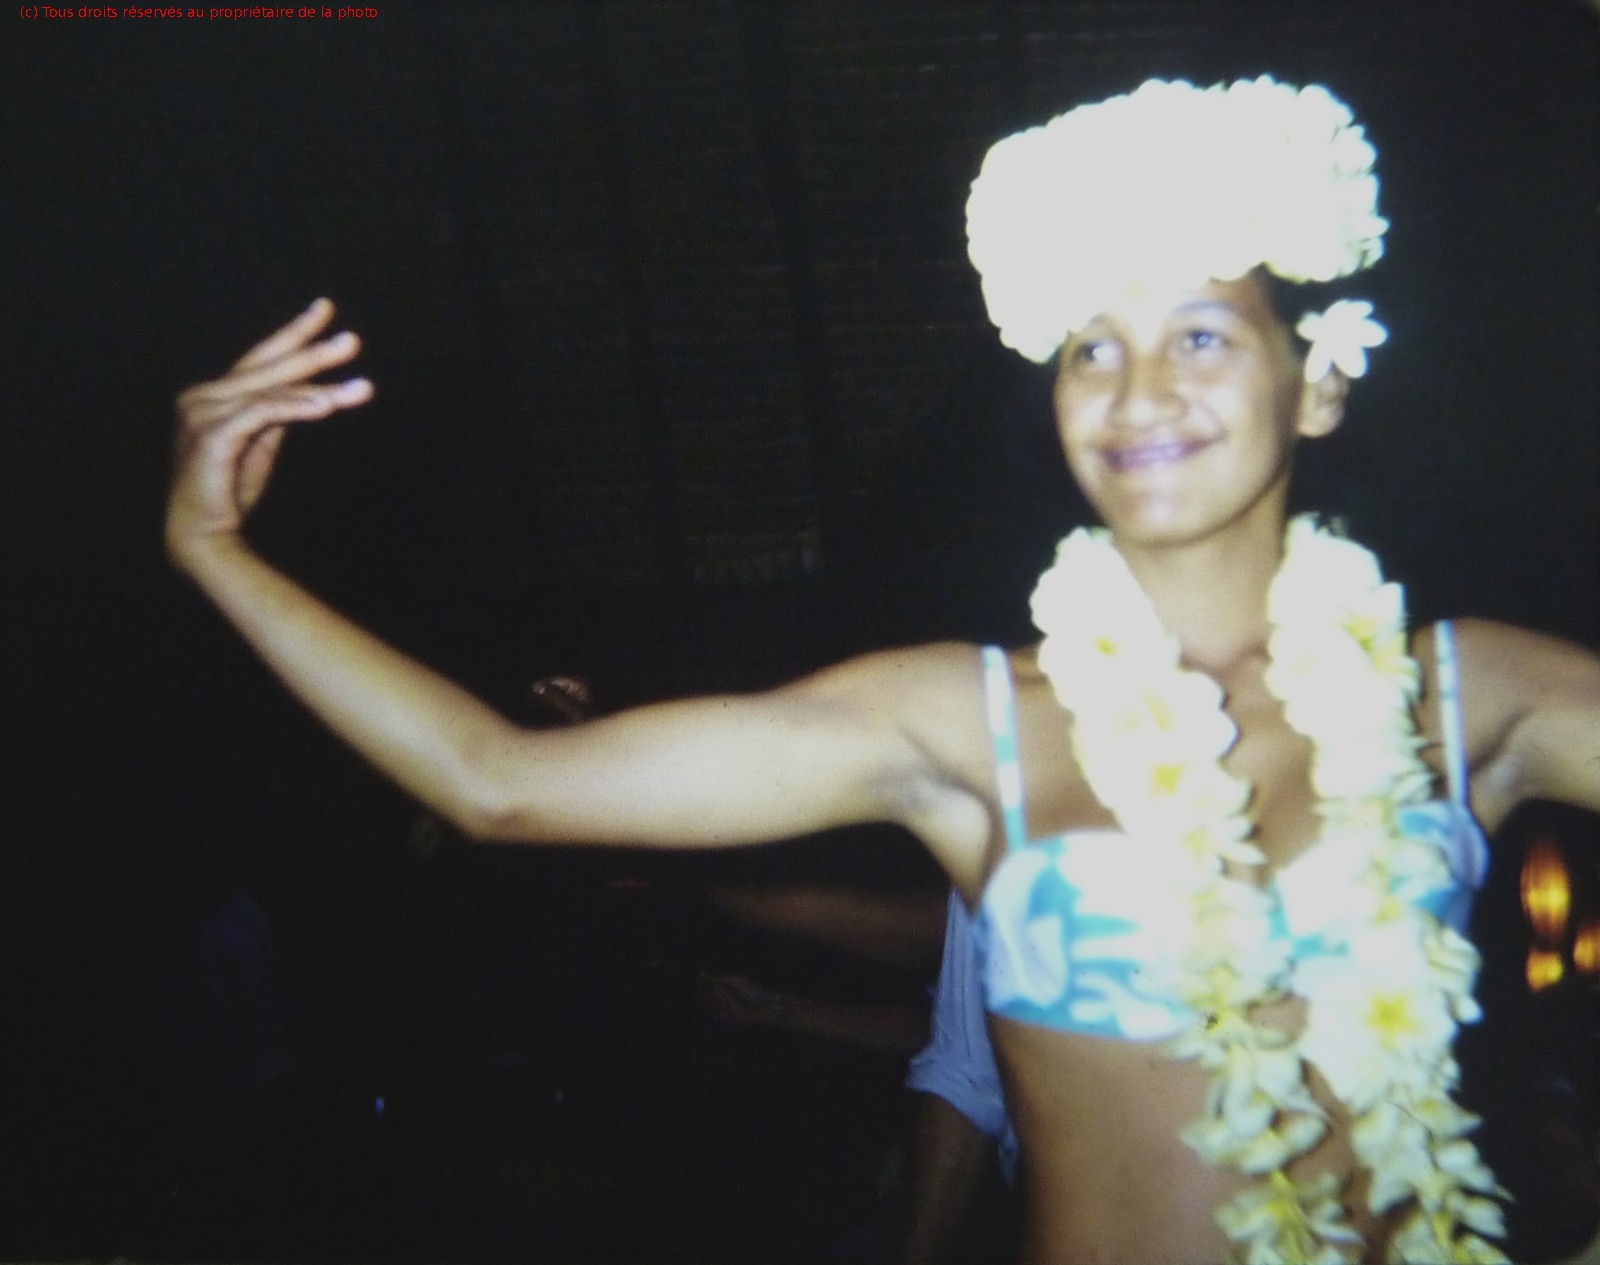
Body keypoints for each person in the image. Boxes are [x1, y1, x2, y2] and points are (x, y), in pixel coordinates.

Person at [164, 75, 1600, 1264]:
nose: (1139, 392)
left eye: (1203, 335)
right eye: (1090, 350)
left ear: (1319, 378)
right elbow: (500, 784)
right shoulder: (962, 723)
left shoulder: (1469, 693)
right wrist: (216, 550)